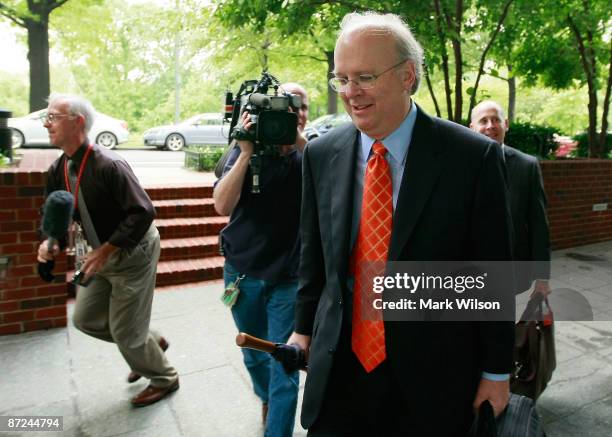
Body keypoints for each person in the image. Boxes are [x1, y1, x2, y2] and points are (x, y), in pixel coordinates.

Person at [286, 12, 515, 436]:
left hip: (434, 379)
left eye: (365, 77)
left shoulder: (473, 158)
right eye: (342, 79)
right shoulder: (321, 154)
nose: (350, 93)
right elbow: (313, 257)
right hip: (339, 373)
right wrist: (302, 331)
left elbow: (491, 275)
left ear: (408, 75)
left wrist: (497, 373)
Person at [36, 93, 178, 407]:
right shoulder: (58, 169)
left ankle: (164, 378)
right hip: (97, 256)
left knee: (127, 334)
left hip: (131, 253)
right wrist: (48, 244)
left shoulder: (109, 164)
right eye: (46, 118)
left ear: (78, 121)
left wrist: (106, 251)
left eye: (54, 117)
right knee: (85, 319)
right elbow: (54, 215)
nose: (47, 124)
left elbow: (142, 212)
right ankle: (150, 344)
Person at [214, 83, 309, 437]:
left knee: (284, 362)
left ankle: (277, 427)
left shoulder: (311, 154)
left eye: (298, 106)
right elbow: (222, 205)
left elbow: (332, 179)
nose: (291, 113)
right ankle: (265, 397)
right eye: (282, 107)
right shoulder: (243, 149)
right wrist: (244, 152)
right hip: (243, 273)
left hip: (288, 276)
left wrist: (296, 139)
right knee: (253, 353)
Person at [470, 100, 551, 297]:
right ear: (472, 128)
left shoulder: (527, 166)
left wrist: (542, 277)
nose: (490, 126)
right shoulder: (458, 166)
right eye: (483, 120)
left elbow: (538, 224)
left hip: (511, 272)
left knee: (504, 324)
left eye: (495, 119)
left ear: (505, 124)